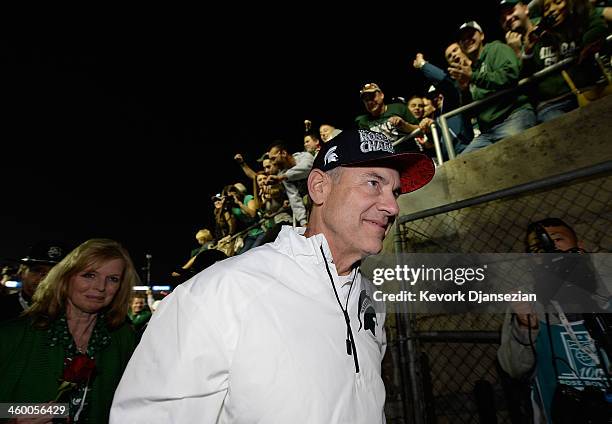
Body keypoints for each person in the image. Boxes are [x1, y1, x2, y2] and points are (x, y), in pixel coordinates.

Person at [110, 129, 436, 423]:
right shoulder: (222, 291)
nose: (392, 206)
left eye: (395, 191)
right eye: (373, 183)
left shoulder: (371, 301)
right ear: (319, 187)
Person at [0, 238, 139, 423]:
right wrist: (18, 418)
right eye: (89, 275)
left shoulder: (123, 339)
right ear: (66, 277)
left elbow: (134, 404)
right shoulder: (14, 335)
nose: (100, 287)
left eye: (113, 279)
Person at [497, 218, 611, 423]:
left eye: (558, 239)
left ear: (580, 246)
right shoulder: (525, 301)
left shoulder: (607, 290)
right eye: (537, 247)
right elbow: (513, 369)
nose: (550, 248)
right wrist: (524, 330)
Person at [450, 21, 536, 155]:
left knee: (516, 155)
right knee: (464, 162)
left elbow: (511, 75)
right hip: (488, 132)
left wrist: (474, 77)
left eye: (471, 35)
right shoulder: (468, 70)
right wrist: (464, 90)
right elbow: (470, 113)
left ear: (482, 35)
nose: (467, 40)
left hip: (513, 117)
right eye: (462, 39)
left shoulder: (496, 49)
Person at [0, 241, 67, 321]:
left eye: (55, 272)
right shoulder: (2, 309)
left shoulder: (76, 311)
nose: (46, 277)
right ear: (22, 273)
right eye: (37, 270)